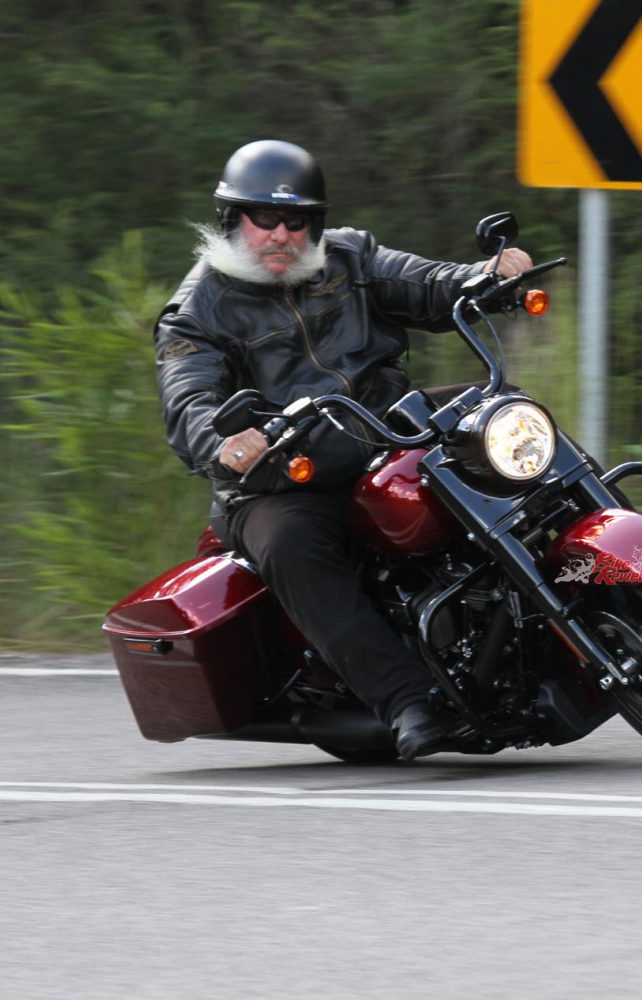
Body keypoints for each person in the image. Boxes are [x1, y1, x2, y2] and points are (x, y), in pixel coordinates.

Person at [153, 139, 532, 760]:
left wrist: (482, 277)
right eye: (265, 217)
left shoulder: (349, 256)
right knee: (290, 544)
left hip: (387, 429)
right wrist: (223, 441)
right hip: (281, 474)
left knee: (506, 411)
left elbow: (426, 283)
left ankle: (610, 564)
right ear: (232, 219)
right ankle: (406, 700)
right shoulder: (196, 311)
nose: (281, 234)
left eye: (297, 219)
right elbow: (188, 398)